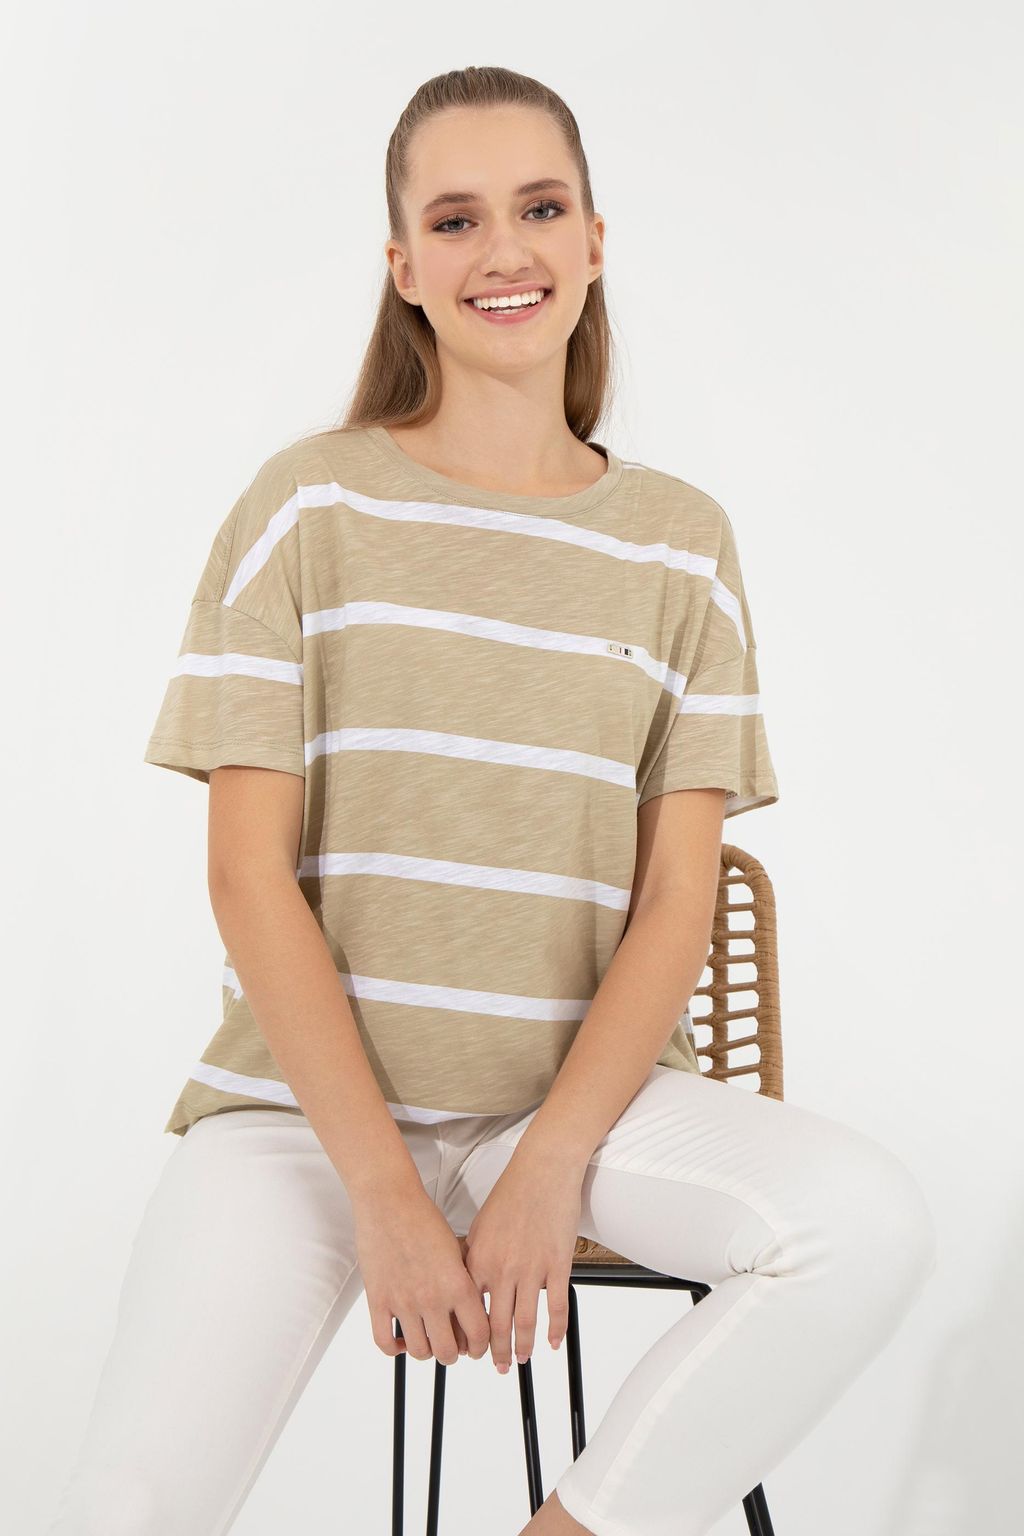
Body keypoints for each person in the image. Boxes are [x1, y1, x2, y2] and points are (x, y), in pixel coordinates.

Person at [47, 65, 937, 1536]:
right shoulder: (305, 507)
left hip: (577, 1110)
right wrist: (387, 1196)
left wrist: (550, 1165)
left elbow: (677, 895)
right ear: (404, 267)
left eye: (539, 208)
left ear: (594, 240)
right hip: (303, 1115)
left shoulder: (682, 543)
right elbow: (246, 876)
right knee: (126, 1505)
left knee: (864, 1223)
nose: (503, 250)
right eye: (455, 220)